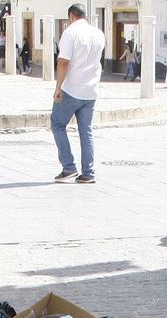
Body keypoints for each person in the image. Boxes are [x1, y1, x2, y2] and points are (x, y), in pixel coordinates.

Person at [51, 4, 105, 184]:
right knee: (86, 130)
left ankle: (68, 167)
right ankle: (88, 172)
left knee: (57, 124)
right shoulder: (98, 33)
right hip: (91, 90)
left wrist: (58, 87)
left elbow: (63, 62)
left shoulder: (70, 32)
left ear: (71, 16)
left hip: (72, 89)